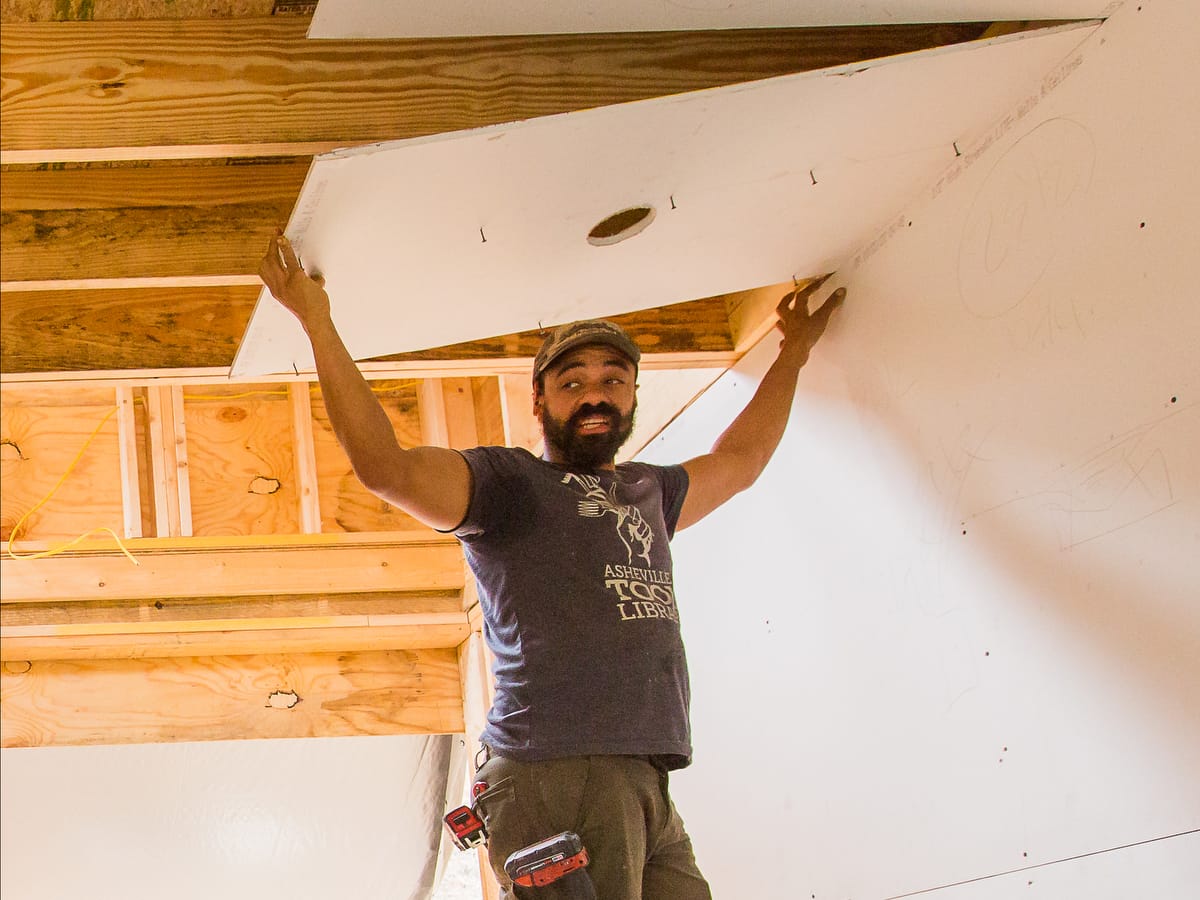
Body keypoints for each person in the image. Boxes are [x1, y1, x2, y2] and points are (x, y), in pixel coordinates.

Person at [258, 232, 845, 899]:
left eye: (611, 381)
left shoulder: (650, 492)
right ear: (540, 401)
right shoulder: (510, 485)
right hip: (554, 771)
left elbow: (739, 463)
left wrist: (793, 352)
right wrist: (316, 320)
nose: (594, 395)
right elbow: (386, 468)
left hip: (645, 774)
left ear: (631, 396)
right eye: (573, 383)